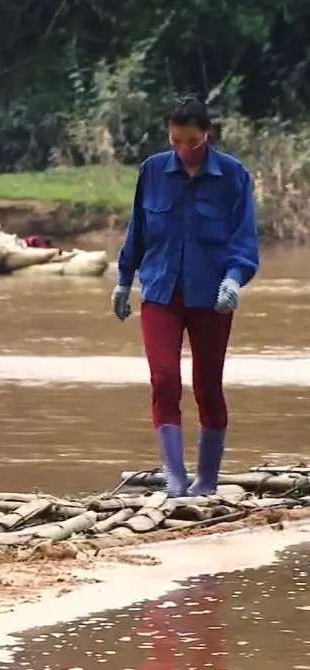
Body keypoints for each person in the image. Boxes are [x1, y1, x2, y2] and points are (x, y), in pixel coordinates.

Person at [112, 97, 259, 497]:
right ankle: (175, 480)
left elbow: (243, 240)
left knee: (208, 385)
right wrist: (124, 279)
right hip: (161, 290)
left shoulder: (232, 176)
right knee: (163, 379)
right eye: (175, 140)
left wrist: (234, 279)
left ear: (206, 135)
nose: (182, 150)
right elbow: (137, 231)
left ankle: (206, 481)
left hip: (212, 296)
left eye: (190, 141)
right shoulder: (153, 171)